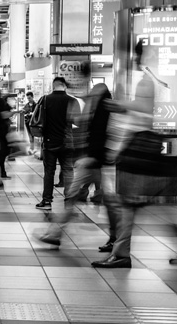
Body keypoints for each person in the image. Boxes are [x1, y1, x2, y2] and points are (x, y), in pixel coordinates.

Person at [91, 41, 157, 269]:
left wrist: (120, 105)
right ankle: (120, 251)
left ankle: (121, 253)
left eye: (139, 55)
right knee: (126, 202)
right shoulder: (154, 80)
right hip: (148, 147)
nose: (136, 60)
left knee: (124, 202)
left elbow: (144, 111)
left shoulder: (149, 81)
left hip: (144, 148)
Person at [39, 83, 111, 246]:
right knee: (72, 193)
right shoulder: (92, 107)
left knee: (70, 192)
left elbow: (94, 134)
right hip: (90, 160)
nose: (92, 93)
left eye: (95, 93)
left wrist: (90, 156)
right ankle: (56, 233)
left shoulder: (102, 111)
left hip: (91, 161)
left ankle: (55, 230)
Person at [35, 77, 76, 211]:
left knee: (49, 172)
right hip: (67, 141)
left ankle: (47, 201)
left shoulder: (45, 99)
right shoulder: (72, 100)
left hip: (49, 142)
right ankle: (69, 199)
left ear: (53, 85)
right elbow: (78, 121)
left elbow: (37, 119)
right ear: (64, 86)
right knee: (68, 171)